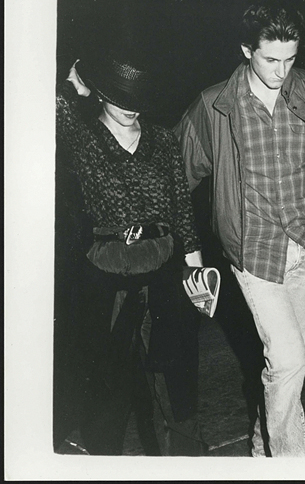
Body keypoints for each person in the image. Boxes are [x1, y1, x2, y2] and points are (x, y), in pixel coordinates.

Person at [174, 4, 305, 457]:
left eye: (290, 59)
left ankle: (261, 451)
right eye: (271, 59)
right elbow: (176, 173)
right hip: (254, 251)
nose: (282, 71)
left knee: (285, 367)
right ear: (246, 50)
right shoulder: (215, 106)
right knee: (290, 361)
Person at [56, 47, 207, 456]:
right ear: (102, 92)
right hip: (106, 275)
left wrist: (197, 273)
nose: (129, 108)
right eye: (119, 96)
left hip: (164, 271)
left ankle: (185, 462)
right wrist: (75, 88)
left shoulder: (161, 139)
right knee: (108, 381)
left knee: (173, 379)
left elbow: (182, 209)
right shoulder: (84, 137)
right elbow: (46, 105)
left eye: (136, 100)